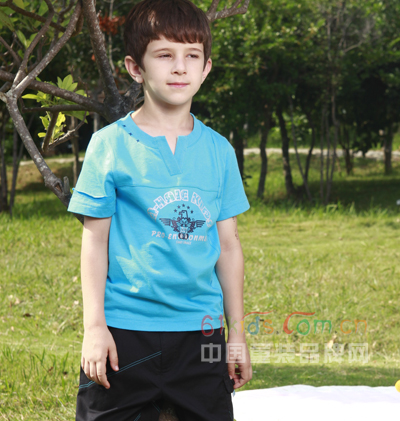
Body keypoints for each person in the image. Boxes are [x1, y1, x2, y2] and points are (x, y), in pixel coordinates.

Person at [67, 0, 252, 419]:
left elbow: (228, 247)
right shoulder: (109, 145)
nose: (180, 68)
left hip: (201, 333)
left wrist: (236, 334)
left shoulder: (219, 151)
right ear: (136, 68)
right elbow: (94, 242)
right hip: (125, 332)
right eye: (165, 55)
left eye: (192, 56)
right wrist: (95, 327)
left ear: (206, 68)